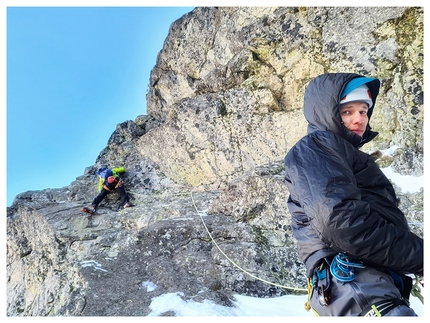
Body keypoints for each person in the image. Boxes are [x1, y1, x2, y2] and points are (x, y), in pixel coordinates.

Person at [283, 73, 423, 316]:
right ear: (326, 113)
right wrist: (422, 257)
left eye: (363, 110)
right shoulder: (316, 148)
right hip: (353, 279)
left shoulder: (340, 153)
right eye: (347, 111)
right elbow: (342, 224)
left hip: (365, 282)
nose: (359, 118)